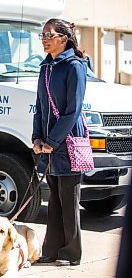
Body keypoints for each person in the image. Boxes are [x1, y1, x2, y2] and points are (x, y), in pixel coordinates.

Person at [32, 18, 87, 266]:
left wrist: (53, 140)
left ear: (63, 38)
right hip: (47, 144)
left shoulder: (75, 66)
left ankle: (71, 253)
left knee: (68, 200)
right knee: (53, 199)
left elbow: (72, 110)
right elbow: (40, 108)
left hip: (67, 142)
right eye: (42, 35)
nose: (44, 39)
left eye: (48, 35)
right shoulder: (46, 67)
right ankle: (51, 250)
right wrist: (37, 137)